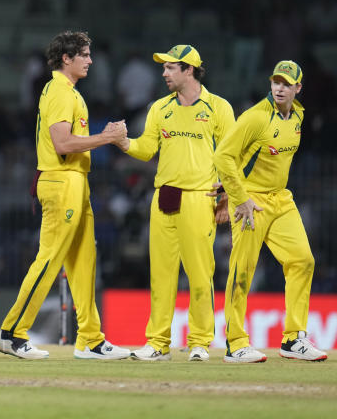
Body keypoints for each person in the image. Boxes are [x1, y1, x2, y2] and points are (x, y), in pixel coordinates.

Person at [0, 31, 130, 360]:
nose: (90, 60)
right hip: (61, 181)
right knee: (50, 258)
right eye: (84, 54)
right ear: (66, 58)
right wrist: (107, 138)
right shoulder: (58, 91)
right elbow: (63, 144)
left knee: (84, 263)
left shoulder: (69, 92)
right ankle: (12, 333)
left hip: (76, 182)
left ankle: (90, 339)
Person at [116, 45, 235, 362]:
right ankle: (157, 343)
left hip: (200, 197)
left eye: (170, 68)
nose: (164, 73)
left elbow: (230, 156)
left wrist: (225, 196)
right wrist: (124, 142)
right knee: (162, 274)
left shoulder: (219, 108)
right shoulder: (159, 108)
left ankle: (199, 342)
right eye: (164, 68)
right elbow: (147, 149)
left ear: (189, 70)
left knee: (199, 273)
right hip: (165, 197)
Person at [214, 60, 328, 363]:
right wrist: (238, 197)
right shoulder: (254, 118)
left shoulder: (298, 116)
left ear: (297, 88)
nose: (279, 88)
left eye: (286, 84)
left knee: (303, 261)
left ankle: (293, 339)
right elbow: (223, 156)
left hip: (281, 199)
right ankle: (235, 343)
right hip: (250, 201)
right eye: (276, 81)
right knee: (243, 268)